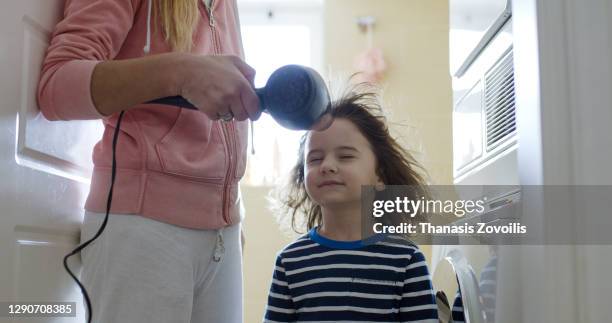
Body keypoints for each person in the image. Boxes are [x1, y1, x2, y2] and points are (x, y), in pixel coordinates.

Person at [37, 0, 258, 322]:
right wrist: (181, 72)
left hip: (222, 232)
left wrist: (230, 213)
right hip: (142, 225)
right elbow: (57, 86)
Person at [264, 86, 439, 322]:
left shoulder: (406, 260)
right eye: (314, 159)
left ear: (380, 175)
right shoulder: (290, 262)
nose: (327, 166)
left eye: (345, 156)